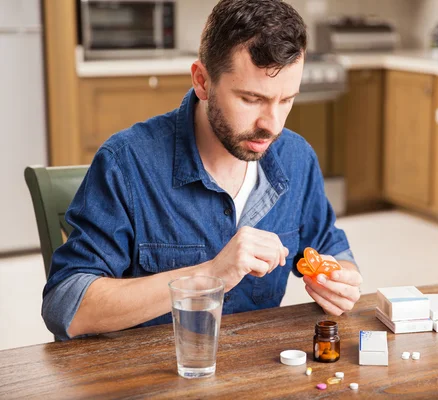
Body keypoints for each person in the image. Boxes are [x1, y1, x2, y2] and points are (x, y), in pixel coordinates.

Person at [42, 0, 361, 340]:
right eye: (251, 99)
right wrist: (209, 276)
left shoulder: (297, 158)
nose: (272, 125)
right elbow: (66, 307)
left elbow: (333, 251)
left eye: (286, 100)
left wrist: (342, 280)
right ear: (202, 81)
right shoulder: (126, 162)